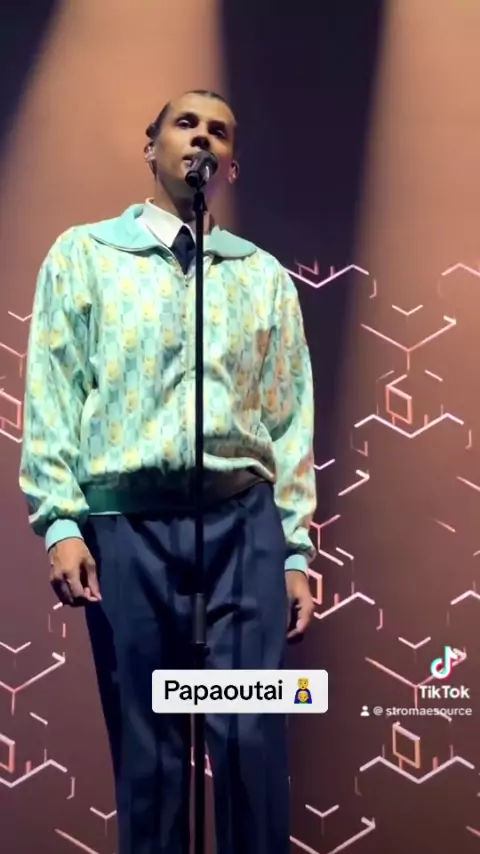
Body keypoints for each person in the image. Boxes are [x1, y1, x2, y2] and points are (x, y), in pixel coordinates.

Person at [19, 89, 317, 854]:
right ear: (151, 147)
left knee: (250, 738)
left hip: (241, 525)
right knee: (149, 752)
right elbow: (54, 391)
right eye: (186, 124)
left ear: (232, 166)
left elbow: (288, 419)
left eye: (220, 131)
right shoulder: (85, 256)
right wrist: (59, 521)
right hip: (128, 525)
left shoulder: (261, 275)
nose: (202, 138)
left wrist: (292, 551)